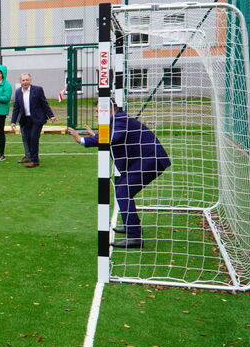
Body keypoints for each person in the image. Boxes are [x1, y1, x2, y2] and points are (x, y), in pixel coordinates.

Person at [68, 106, 172, 248]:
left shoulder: (120, 119)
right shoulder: (115, 120)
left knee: (124, 191)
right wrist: (94, 137)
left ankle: (135, 238)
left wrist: (82, 140)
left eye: (98, 111)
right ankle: (132, 227)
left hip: (150, 159)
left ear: (109, 110)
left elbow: (112, 138)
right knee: (121, 187)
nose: (96, 115)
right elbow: (110, 138)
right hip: (144, 160)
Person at [10, 73, 56, 168]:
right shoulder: (18, 92)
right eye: (23, 80)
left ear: (30, 81)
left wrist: (51, 115)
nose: (25, 82)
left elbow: (44, 103)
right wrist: (13, 121)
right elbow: (16, 108)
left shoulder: (38, 90)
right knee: (27, 138)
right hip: (25, 119)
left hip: (37, 118)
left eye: (27, 80)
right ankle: (31, 156)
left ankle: (35, 160)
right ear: (20, 82)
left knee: (33, 138)